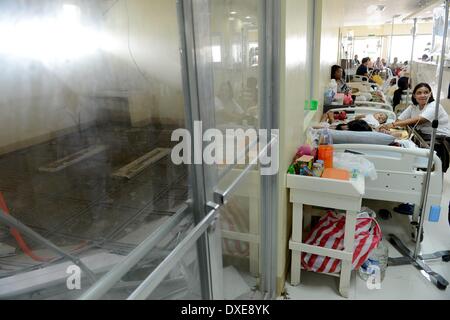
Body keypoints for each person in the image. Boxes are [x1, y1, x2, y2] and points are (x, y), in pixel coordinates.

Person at [381, 83, 450, 137]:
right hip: (422, 136)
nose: (423, 95)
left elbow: (419, 120)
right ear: (414, 96)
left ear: (430, 94)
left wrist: (392, 124)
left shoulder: (435, 106)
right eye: (419, 93)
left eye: (426, 92)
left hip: (440, 138)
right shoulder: (413, 107)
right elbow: (399, 120)